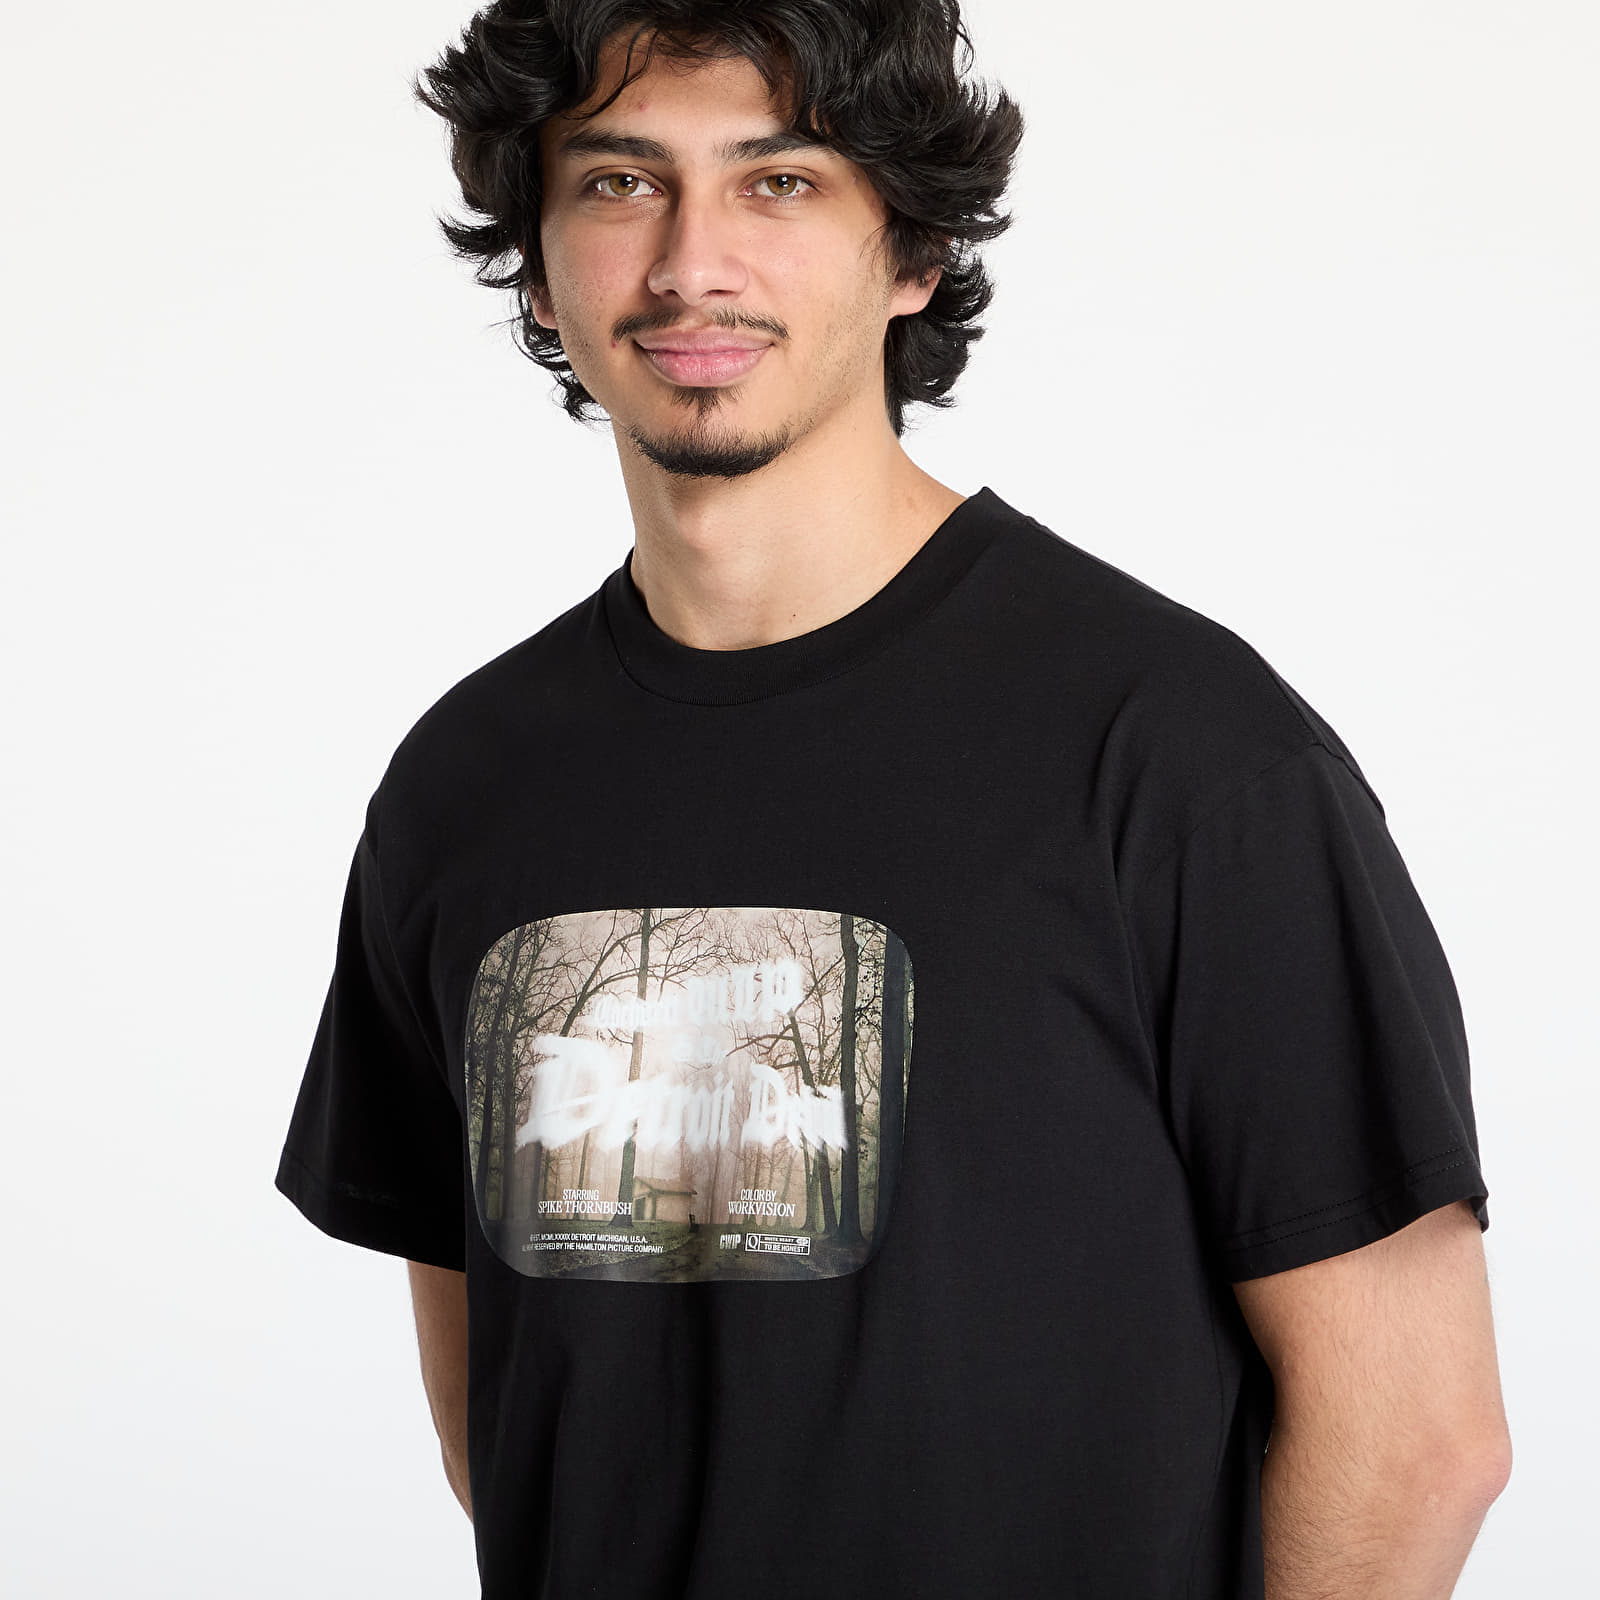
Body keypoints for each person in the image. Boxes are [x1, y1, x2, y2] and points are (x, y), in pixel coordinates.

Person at [273, 3, 1512, 1596]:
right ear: (538, 262)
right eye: (620, 182)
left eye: (779, 183)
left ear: (913, 251)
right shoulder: (467, 784)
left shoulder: (1183, 754)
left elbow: (1415, 1440)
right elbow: (509, 1420)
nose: (692, 265)